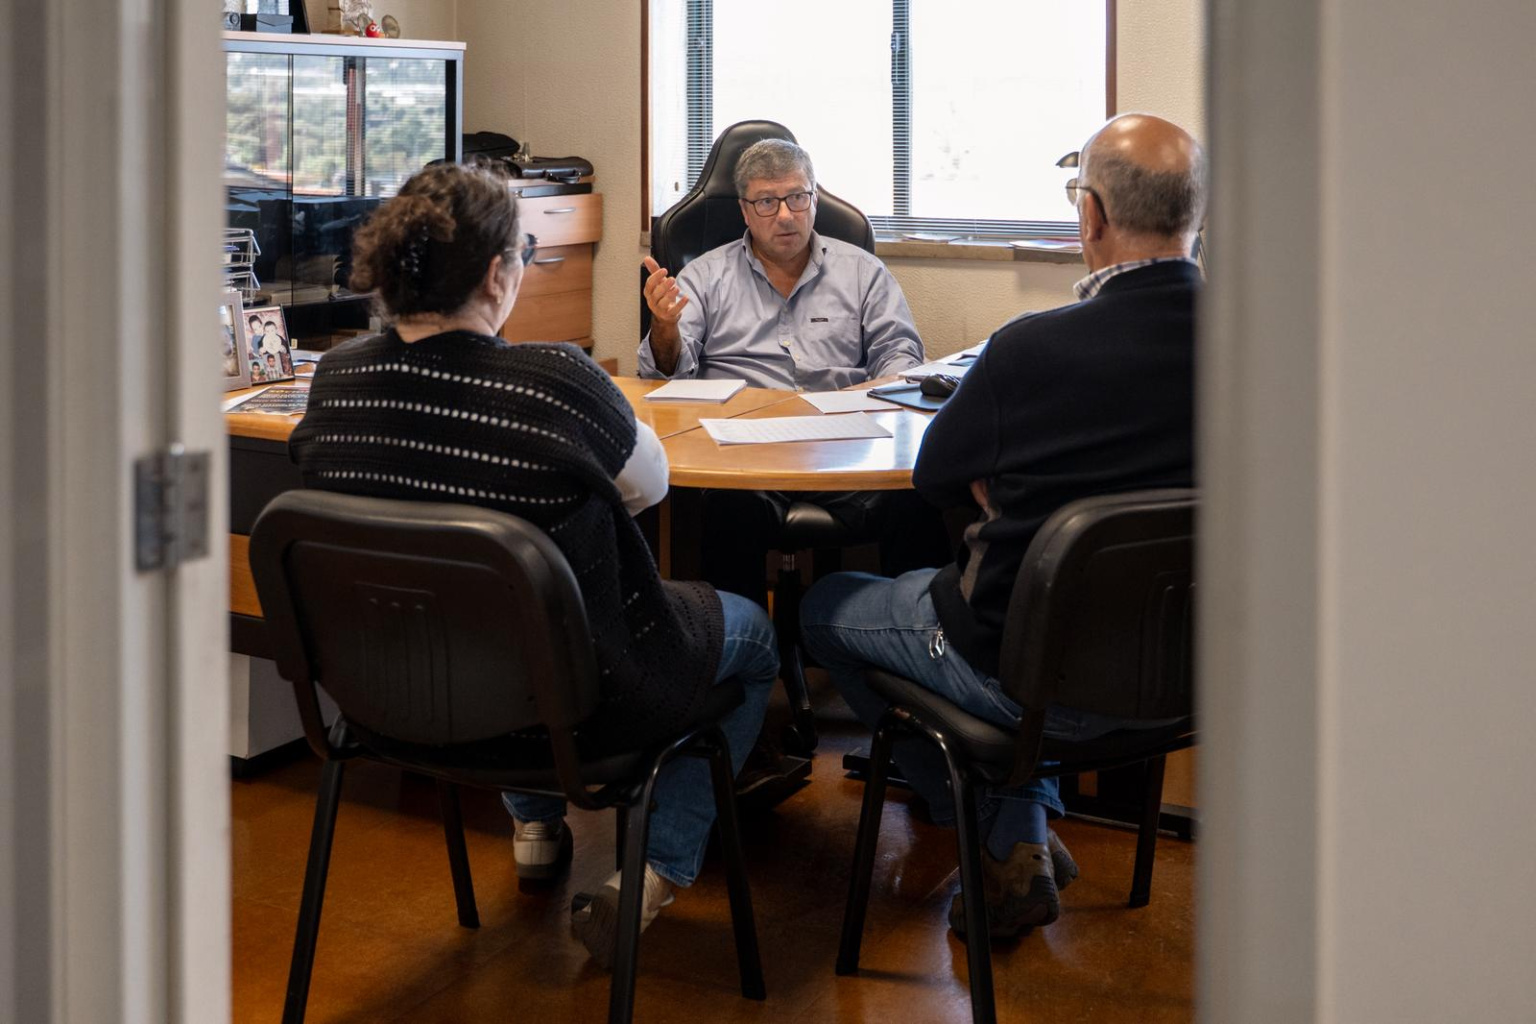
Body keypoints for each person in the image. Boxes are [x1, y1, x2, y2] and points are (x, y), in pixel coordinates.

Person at [288, 160, 779, 969]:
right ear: (496, 273)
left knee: (499, 615)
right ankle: (654, 871)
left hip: (387, 703)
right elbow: (648, 486)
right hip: (580, 710)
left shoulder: (336, 381)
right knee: (753, 636)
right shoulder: (554, 380)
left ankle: (535, 828)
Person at [800, 113, 1205, 940]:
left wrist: (1008, 480)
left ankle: (991, 820)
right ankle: (1017, 825)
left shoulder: (1029, 351)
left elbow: (933, 480)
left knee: (824, 608)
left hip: (1022, 674)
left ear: (1090, 215)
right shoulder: (1268, 346)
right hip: (1188, 675)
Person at [637, 138, 949, 610]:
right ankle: (741, 642)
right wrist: (664, 328)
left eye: (797, 198)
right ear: (745, 210)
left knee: (918, 494)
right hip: (743, 459)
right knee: (725, 508)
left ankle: (920, 634)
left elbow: (900, 354)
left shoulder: (862, 272)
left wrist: (874, 401)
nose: (785, 215)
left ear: (814, 199)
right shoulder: (703, 276)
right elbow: (663, 379)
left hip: (846, 451)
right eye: (767, 202)